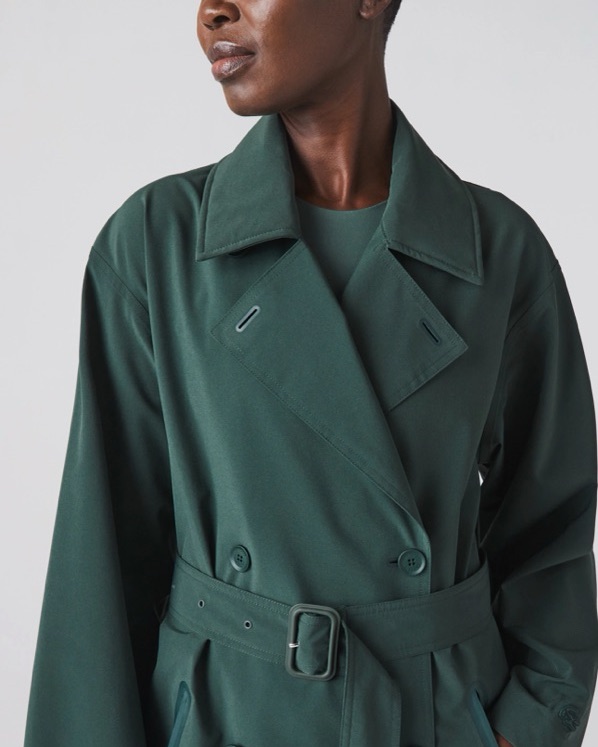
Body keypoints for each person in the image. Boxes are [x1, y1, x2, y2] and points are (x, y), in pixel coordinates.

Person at [24, 1, 598, 746]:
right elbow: (99, 566)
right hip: (229, 715)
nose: (211, 12)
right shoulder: (156, 246)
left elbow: (552, 532)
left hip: (432, 719)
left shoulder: (498, 252)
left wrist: (524, 729)